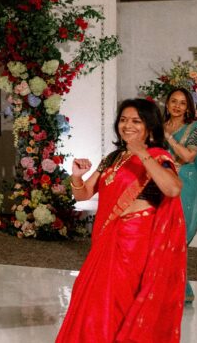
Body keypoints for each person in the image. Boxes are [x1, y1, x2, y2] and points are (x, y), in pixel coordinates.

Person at [56, 98, 186, 342]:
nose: (128, 126)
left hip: (134, 245)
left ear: (150, 126)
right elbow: (84, 193)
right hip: (107, 240)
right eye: (124, 120)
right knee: (96, 302)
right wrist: (76, 177)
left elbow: (172, 189)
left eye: (136, 121)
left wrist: (142, 154)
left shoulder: (158, 157)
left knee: (120, 302)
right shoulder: (113, 158)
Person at [161, 86, 197, 303]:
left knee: (177, 236)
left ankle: (179, 289)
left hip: (184, 185)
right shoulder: (158, 126)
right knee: (159, 236)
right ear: (167, 104)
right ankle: (164, 286)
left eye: (182, 102)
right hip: (161, 185)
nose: (177, 106)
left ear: (189, 106)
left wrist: (168, 137)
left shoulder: (196, 128)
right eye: (173, 101)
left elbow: (189, 156)